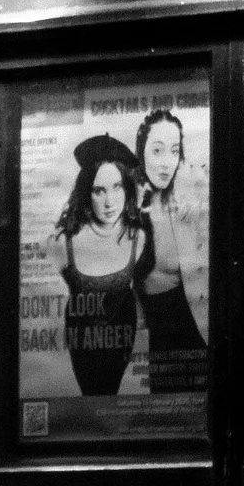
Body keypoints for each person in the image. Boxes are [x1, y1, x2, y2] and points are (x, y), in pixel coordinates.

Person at [54, 136, 148, 397]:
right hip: (82, 340)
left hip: (123, 336)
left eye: (117, 187)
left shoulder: (139, 238)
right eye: (99, 190)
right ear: (87, 192)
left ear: (128, 189)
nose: (110, 202)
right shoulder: (62, 244)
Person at [133, 107, 208, 393]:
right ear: (142, 153)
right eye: (157, 151)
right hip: (157, 345)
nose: (166, 163)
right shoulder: (128, 206)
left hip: (198, 333)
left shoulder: (191, 197)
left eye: (174, 151)